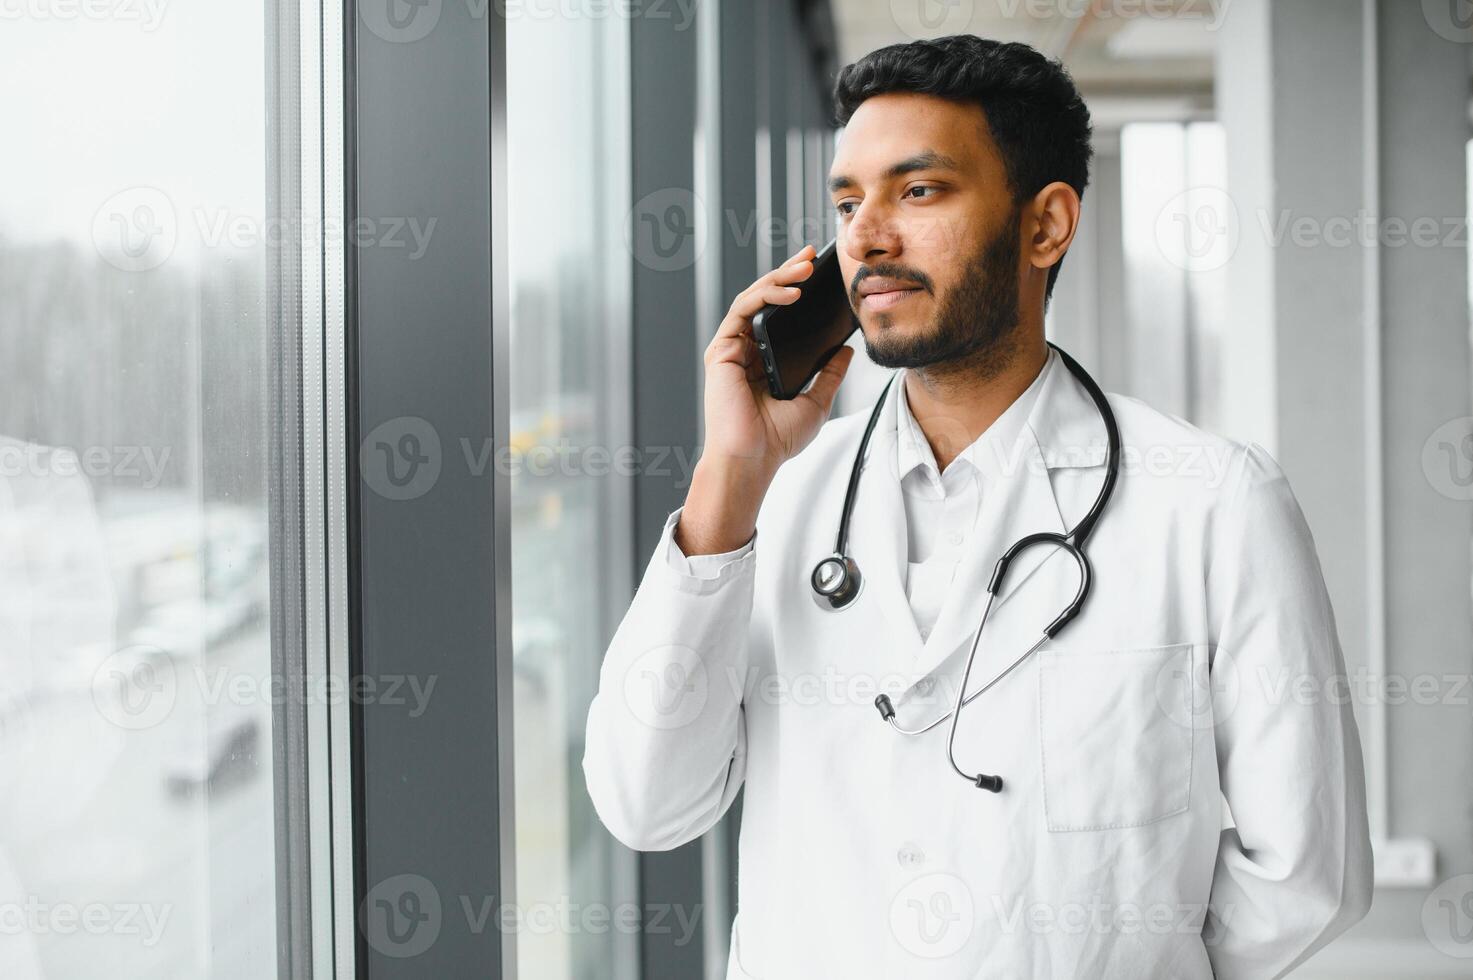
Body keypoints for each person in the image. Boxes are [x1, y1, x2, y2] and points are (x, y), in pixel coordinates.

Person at [583, 34, 1372, 979]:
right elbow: (646, 802)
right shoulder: (770, 500)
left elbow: (1305, 872)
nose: (865, 238)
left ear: (1045, 225)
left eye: (918, 192)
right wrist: (729, 478)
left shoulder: (1213, 504)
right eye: (847, 202)